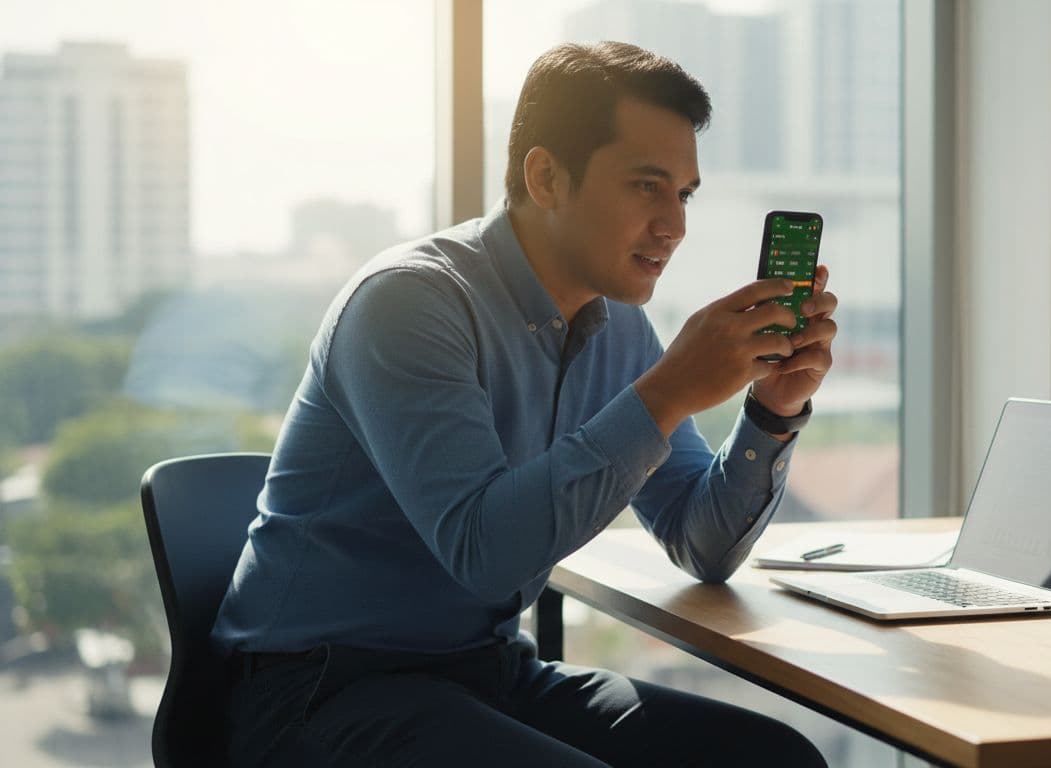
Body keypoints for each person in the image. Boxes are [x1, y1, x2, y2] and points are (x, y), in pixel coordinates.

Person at [212, 41, 838, 767]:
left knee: (772, 758)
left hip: (488, 672)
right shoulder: (409, 303)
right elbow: (485, 554)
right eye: (646, 186)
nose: (675, 225)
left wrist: (770, 412)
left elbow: (701, 542)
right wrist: (667, 390)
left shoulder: (618, 327)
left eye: (684, 193)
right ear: (546, 176)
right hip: (321, 690)